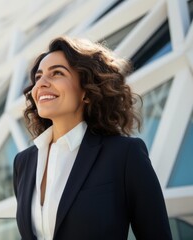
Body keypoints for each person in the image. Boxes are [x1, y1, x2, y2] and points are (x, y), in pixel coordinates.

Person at [13, 36, 172, 240]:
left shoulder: (124, 155)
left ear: (86, 92)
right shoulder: (24, 162)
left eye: (57, 73)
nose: (41, 84)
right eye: (39, 76)